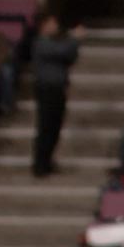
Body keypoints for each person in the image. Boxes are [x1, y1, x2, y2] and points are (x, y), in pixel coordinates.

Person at [31, 14, 84, 177]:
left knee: (55, 127)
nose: (56, 26)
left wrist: (73, 42)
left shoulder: (57, 43)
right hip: (46, 90)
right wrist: (73, 38)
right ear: (43, 25)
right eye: (52, 23)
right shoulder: (41, 43)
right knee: (46, 127)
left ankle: (48, 161)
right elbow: (61, 51)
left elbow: (69, 56)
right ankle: (40, 164)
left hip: (58, 89)